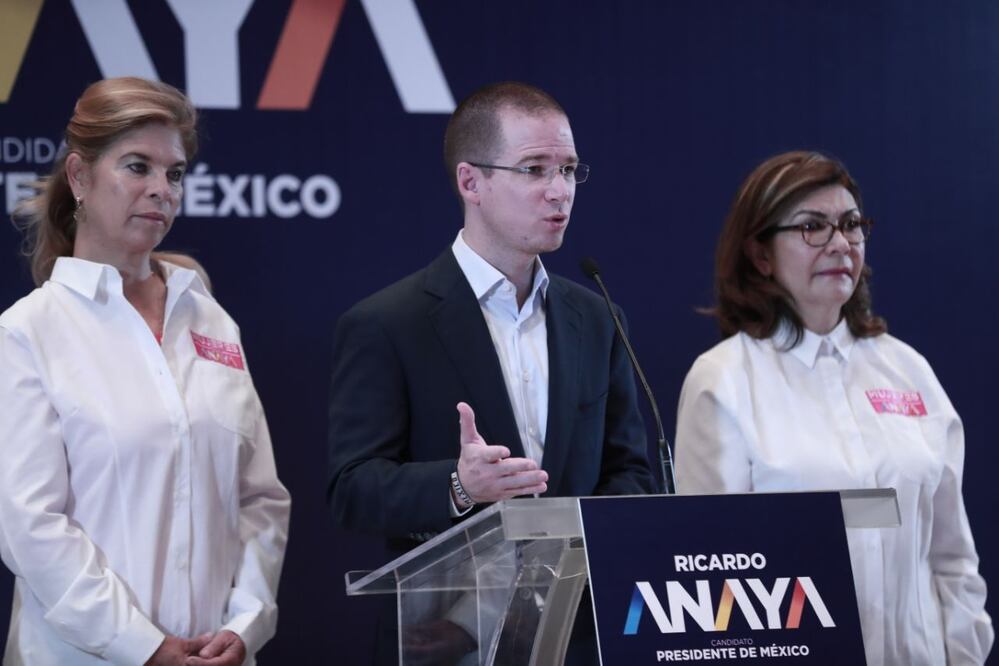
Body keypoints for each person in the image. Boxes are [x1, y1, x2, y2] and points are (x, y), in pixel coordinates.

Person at [327, 81, 656, 664]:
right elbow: (352, 489)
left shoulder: (598, 317)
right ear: (470, 181)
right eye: (534, 169)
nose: (559, 192)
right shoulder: (387, 323)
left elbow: (629, 474)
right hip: (439, 643)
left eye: (570, 170)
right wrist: (458, 486)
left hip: (575, 638)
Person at [0, 77, 290, 665]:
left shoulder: (210, 321)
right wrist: (145, 646)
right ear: (80, 177)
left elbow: (260, 498)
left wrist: (246, 623)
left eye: (175, 173)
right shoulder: (29, 331)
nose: (162, 190)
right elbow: (31, 527)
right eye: (138, 167)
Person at [674, 151, 993, 665]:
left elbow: (952, 557)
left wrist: (963, 654)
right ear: (760, 255)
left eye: (851, 225)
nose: (840, 243)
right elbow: (712, 573)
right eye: (812, 227)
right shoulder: (724, 379)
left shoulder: (909, 370)